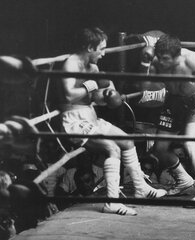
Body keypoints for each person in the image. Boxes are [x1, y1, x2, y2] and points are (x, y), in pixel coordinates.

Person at [57, 27, 166, 215]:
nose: (104, 53)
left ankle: (141, 188)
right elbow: (68, 95)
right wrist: (91, 85)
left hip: (90, 116)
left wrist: (108, 95)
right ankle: (111, 203)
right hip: (73, 120)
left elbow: (96, 98)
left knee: (127, 140)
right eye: (101, 48)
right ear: (90, 47)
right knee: (112, 149)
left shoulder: (93, 67)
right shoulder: (71, 64)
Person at [139, 34, 195, 201]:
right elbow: (146, 87)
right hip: (173, 102)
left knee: (190, 144)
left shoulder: (192, 59)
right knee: (159, 149)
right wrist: (145, 63)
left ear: (177, 55)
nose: (162, 62)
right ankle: (183, 180)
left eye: (166, 58)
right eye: (160, 57)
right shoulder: (156, 60)